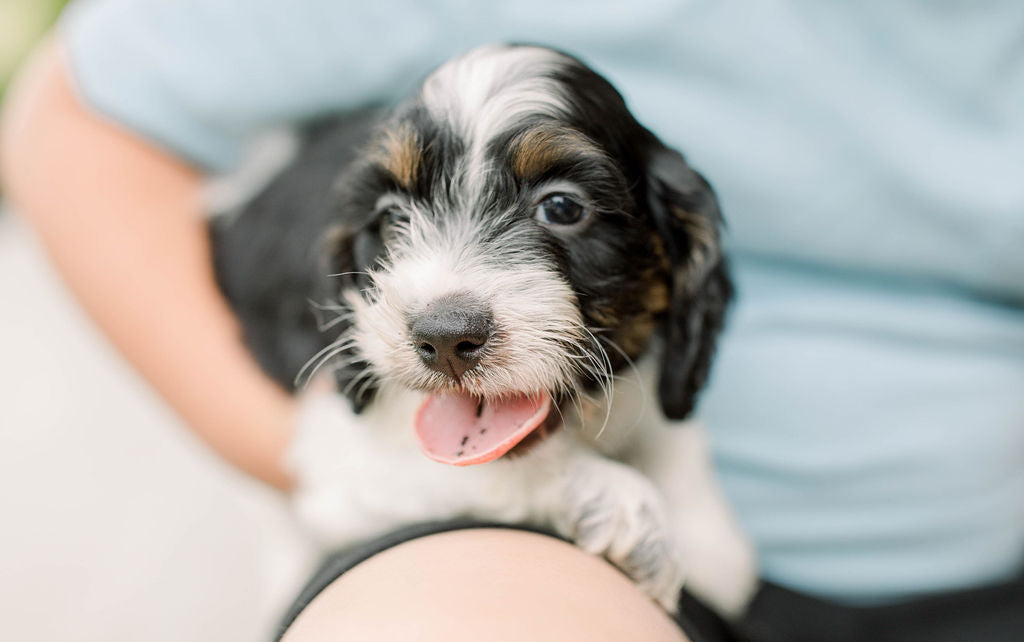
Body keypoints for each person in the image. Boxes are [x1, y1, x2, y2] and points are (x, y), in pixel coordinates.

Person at [2, 1, 1022, 640]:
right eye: (399, 216)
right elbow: (75, 126)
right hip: (493, 556)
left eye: (559, 208)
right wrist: (317, 459)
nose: (448, 308)